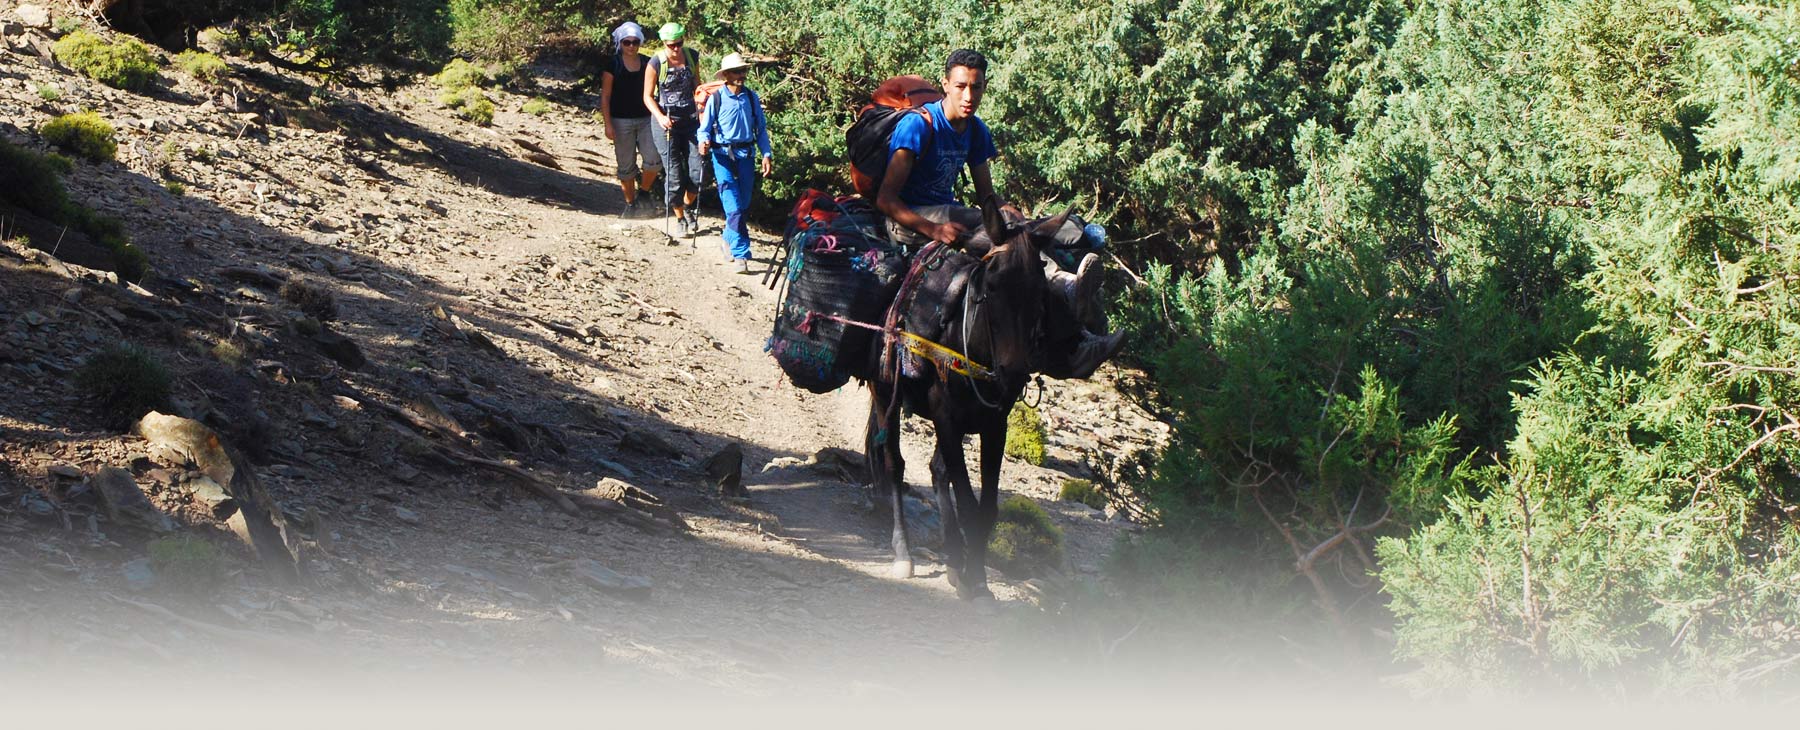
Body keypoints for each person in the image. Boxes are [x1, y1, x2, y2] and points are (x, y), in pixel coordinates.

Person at [874, 48, 1122, 378]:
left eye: (976, 87)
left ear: (984, 87)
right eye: (961, 86)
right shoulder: (918, 128)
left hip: (948, 216)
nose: (968, 95)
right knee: (1008, 234)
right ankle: (1067, 283)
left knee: (1019, 233)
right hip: (908, 222)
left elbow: (987, 196)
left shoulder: (975, 131)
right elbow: (886, 199)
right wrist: (933, 231)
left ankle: (1075, 337)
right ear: (945, 85)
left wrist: (1009, 211)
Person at [698, 53, 772, 274]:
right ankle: (741, 254)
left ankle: (727, 239)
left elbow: (761, 129)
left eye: (743, 71)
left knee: (744, 203)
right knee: (734, 206)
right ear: (726, 75)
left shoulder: (751, 97)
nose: (742, 75)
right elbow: (704, 128)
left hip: (746, 155)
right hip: (722, 156)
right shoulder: (717, 98)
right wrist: (703, 142)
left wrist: (766, 154)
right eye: (737, 72)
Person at [643, 22, 707, 234]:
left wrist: (702, 106)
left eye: (679, 43)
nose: (676, 48)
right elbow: (647, 96)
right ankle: (679, 217)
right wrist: (660, 116)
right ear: (664, 43)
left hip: (691, 122)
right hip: (666, 124)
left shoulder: (691, 56)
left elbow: (697, 85)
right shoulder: (655, 63)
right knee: (674, 174)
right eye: (672, 45)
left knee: (699, 173)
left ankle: (688, 207)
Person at [600, 22, 660, 217]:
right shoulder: (613, 65)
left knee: (653, 159)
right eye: (627, 42)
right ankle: (630, 203)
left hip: (646, 118)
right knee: (625, 163)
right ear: (621, 43)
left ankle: (644, 192)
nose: (632, 46)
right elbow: (606, 96)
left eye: (635, 42)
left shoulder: (648, 63)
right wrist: (607, 123)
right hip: (620, 120)